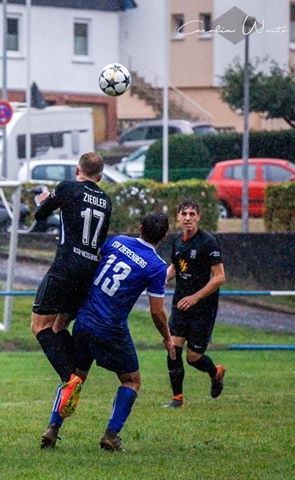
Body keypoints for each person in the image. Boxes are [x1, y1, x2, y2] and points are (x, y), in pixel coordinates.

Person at [40, 212, 176, 452]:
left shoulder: (117, 241)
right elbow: (157, 311)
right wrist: (167, 338)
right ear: (165, 236)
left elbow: (90, 268)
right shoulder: (157, 266)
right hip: (111, 328)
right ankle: (111, 435)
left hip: (84, 321)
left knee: (75, 377)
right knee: (131, 381)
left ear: (140, 228)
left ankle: (53, 428)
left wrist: (66, 313)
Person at [30, 151, 112, 412]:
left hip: (65, 267)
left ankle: (70, 379)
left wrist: (44, 200)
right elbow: (98, 241)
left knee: (39, 326)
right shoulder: (106, 200)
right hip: (88, 271)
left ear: (78, 170)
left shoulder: (67, 187)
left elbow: (40, 215)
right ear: (100, 177)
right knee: (59, 325)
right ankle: (76, 370)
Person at [163, 200, 226, 408]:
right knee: (173, 349)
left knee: (193, 358)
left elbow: (219, 277)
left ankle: (215, 372)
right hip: (180, 305)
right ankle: (177, 399)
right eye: (184, 214)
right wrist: (164, 277)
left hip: (203, 309)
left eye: (192, 214)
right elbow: (176, 266)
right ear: (178, 217)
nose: (188, 218)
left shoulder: (208, 242)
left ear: (198, 217)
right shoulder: (177, 242)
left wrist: (195, 297)